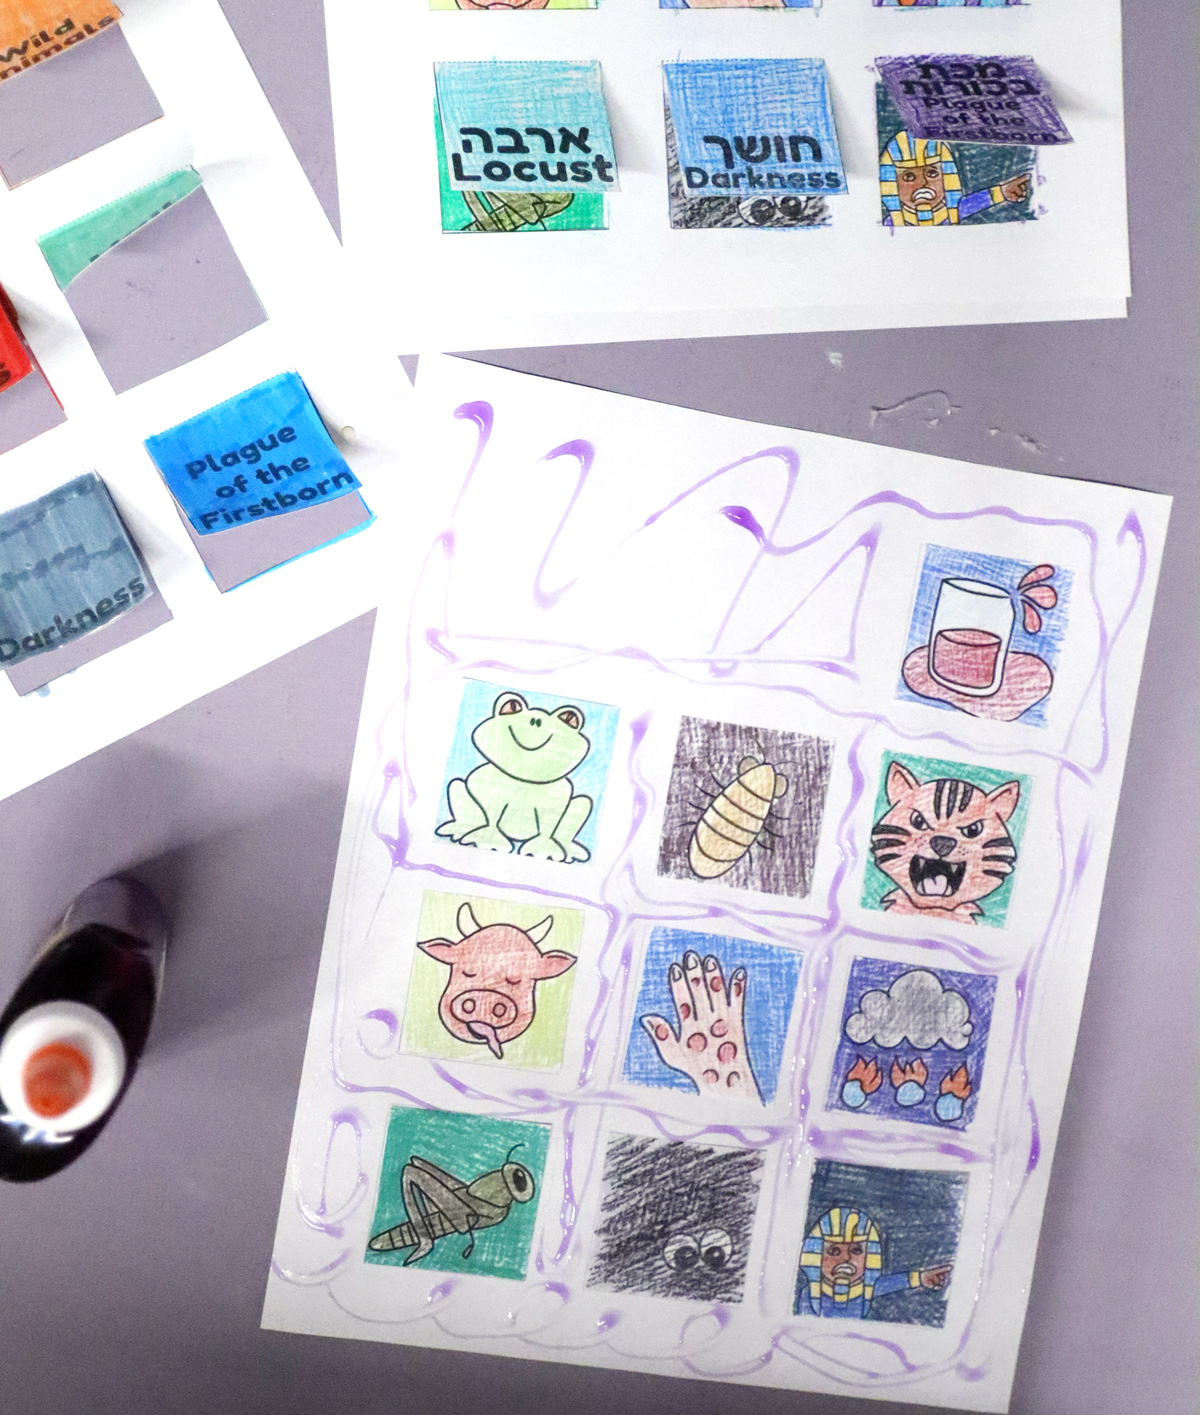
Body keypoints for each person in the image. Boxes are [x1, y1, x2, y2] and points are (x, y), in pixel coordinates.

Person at [797, 1206, 952, 1318]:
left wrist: (921, 1278)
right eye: (834, 1251)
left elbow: (893, 1283)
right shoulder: (808, 1296)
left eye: (856, 1250)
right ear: (816, 1254)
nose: (846, 1259)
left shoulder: (866, 1289)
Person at [880, 131, 1031, 227]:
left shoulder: (951, 211)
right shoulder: (890, 225)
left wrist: (1003, 192)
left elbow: (972, 203)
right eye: (909, 176)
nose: (923, 183)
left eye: (932, 173)